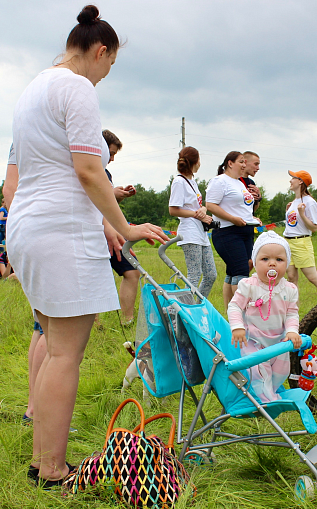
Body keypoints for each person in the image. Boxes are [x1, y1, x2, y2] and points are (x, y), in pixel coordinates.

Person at [7, 5, 168, 487]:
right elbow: (87, 170)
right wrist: (125, 224)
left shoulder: (34, 88)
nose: (104, 76)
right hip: (60, 233)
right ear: (100, 52)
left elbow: (28, 179)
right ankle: (53, 469)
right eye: (110, 65)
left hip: (30, 228)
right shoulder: (76, 87)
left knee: (54, 347)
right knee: (64, 354)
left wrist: (102, 224)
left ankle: (41, 461)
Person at [228, 231, 302, 402]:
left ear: (287, 263)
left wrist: (292, 331)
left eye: (279, 260)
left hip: (280, 342)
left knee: (282, 371)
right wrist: (237, 327)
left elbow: (292, 312)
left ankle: (270, 390)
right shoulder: (249, 286)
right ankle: (266, 401)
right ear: (254, 262)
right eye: (265, 259)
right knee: (259, 371)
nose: (272, 264)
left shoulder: (290, 289)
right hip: (254, 342)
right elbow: (234, 306)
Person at [206, 151, 260, 311]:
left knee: (234, 272)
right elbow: (210, 205)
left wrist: (253, 218)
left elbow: (244, 208)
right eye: (241, 162)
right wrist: (232, 218)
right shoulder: (219, 181)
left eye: (245, 162)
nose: (244, 165)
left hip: (245, 232)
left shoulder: (240, 183)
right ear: (230, 163)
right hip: (228, 232)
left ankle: (231, 314)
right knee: (241, 271)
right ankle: (243, 313)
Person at [169, 146, 217, 298]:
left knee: (211, 275)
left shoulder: (192, 182)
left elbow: (195, 206)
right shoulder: (179, 182)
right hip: (189, 233)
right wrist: (198, 215)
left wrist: (202, 210)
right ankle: (184, 310)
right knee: (194, 275)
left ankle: (197, 306)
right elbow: (173, 210)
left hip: (200, 233)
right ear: (195, 162)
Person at [102, 129, 139, 325]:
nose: (113, 158)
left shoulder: (106, 173)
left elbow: (106, 203)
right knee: (95, 278)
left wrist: (117, 194)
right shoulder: (85, 169)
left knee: (132, 270)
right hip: (93, 232)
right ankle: (94, 324)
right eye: (111, 153)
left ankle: (127, 320)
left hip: (112, 231)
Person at [284, 170, 317, 298]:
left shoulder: (310, 202)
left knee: (312, 277)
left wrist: (301, 214)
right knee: (291, 277)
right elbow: (293, 224)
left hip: (301, 243)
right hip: (288, 242)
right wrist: (288, 211)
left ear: (300, 181)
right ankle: (294, 314)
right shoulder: (294, 201)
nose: (290, 181)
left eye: (293, 178)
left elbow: (314, 227)